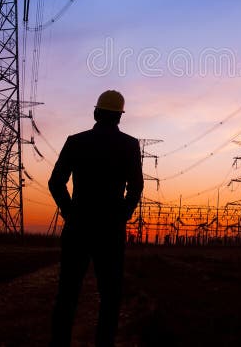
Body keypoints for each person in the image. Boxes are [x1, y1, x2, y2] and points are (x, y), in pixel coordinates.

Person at [48, 90, 143, 347]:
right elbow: (135, 188)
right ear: (119, 118)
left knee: (67, 293)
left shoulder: (75, 142)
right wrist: (121, 216)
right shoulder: (130, 146)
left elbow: (56, 183)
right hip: (110, 231)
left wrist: (70, 212)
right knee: (110, 296)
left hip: (78, 227)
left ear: (95, 113)